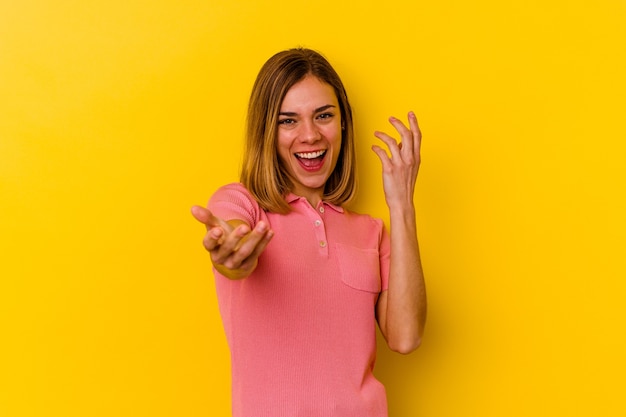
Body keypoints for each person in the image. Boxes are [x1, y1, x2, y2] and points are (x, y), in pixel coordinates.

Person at [191, 48, 426, 417]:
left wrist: (402, 205)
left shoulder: (370, 232)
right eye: (289, 121)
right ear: (267, 130)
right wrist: (232, 249)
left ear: (343, 122)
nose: (310, 135)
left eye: (323, 116)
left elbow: (406, 336)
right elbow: (232, 241)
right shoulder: (245, 206)